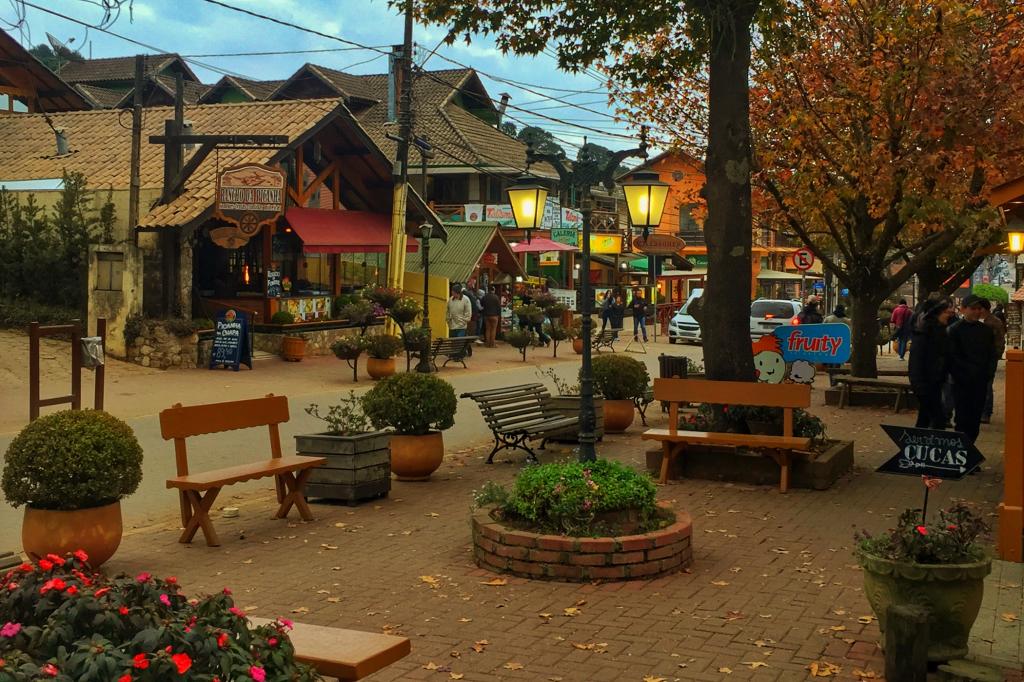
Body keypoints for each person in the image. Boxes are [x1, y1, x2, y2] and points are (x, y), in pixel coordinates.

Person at [947, 294, 999, 443]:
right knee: (962, 418)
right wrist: (961, 375)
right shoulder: (954, 330)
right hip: (961, 383)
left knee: (975, 419)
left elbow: (992, 354)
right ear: (963, 309)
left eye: (979, 309)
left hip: (980, 381)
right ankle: (962, 449)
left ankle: (969, 448)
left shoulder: (986, 331)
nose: (977, 312)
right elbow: (951, 357)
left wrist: (989, 374)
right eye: (973, 308)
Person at [908, 299, 952, 429]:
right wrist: (919, 386)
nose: (950, 313)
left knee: (924, 418)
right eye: (945, 312)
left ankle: (918, 439)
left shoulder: (941, 333)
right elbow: (916, 362)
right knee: (938, 418)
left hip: (935, 383)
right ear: (936, 314)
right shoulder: (924, 334)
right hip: (925, 384)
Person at [980, 298, 1006, 424]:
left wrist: (995, 356)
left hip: (989, 358)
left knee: (987, 385)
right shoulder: (981, 321)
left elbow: (1000, 342)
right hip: (979, 358)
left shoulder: (993, 322)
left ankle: (986, 412)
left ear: (984, 309)